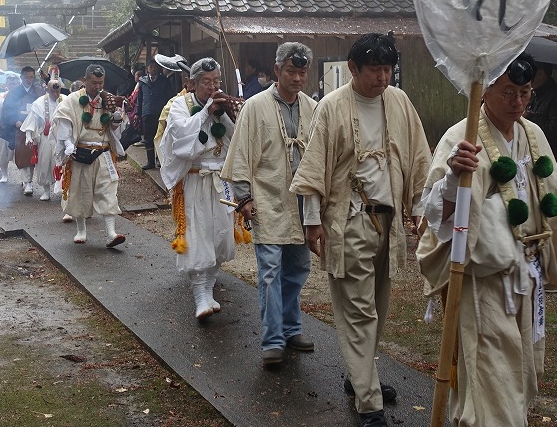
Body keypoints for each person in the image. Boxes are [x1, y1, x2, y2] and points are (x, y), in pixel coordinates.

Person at [415, 54, 557, 427]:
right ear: (484, 91)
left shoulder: (533, 135)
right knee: (491, 380)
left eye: (525, 93)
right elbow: (436, 216)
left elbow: (556, 200)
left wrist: (554, 259)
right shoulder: (461, 137)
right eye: (508, 92)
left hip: (526, 277)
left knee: (520, 374)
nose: (518, 102)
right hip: (484, 282)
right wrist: (455, 178)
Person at [289, 33, 432, 427]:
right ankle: (369, 404)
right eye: (374, 71)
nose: (382, 78)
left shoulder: (399, 102)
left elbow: (419, 160)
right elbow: (315, 168)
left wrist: (420, 208)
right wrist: (312, 221)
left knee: (379, 308)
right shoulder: (332, 107)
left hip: (389, 223)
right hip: (349, 220)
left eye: (388, 70)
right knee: (358, 312)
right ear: (353, 69)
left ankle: (360, 376)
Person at [221, 42, 319, 366]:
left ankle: (291, 329)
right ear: (277, 70)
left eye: (302, 72)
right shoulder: (255, 106)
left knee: (298, 269)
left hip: (302, 201)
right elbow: (241, 155)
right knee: (269, 272)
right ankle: (273, 339)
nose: (297, 78)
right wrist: (244, 196)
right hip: (267, 197)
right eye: (291, 71)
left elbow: (320, 156)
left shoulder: (312, 107)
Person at [159, 57, 242, 321]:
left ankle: (209, 290)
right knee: (197, 236)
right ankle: (199, 296)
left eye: (216, 81)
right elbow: (181, 140)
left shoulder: (222, 105)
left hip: (221, 180)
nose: (212, 86)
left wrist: (228, 114)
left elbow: (237, 138)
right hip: (194, 179)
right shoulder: (179, 106)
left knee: (219, 236)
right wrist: (205, 112)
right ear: (192, 83)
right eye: (206, 82)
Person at [53, 65, 126, 248]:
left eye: (101, 83)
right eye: (94, 83)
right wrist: (68, 144)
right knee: (80, 192)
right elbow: (63, 120)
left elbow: (114, 128)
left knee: (108, 190)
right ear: (85, 81)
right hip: (81, 152)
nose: (98, 86)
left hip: (103, 152)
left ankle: (111, 233)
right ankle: (81, 230)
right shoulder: (72, 100)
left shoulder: (107, 100)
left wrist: (116, 119)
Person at [526, 65, 557, 189]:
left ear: (541, 74)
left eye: (531, 71)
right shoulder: (535, 95)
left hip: (556, 167)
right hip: (537, 164)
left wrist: (530, 117)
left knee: (554, 206)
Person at [0, 66, 40, 195]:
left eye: (31, 77)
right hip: (19, 127)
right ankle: (27, 183)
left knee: (33, 155)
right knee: (23, 154)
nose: (29, 80)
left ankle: (28, 180)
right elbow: (7, 110)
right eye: (26, 77)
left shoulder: (38, 92)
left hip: (35, 127)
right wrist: (15, 121)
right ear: (21, 77)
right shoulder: (13, 93)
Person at [22, 75, 63, 203]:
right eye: (53, 91)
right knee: (44, 164)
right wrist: (28, 136)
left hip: (62, 137)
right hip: (45, 137)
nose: (55, 93)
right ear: (47, 90)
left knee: (62, 164)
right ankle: (46, 191)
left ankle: (64, 190)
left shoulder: (66, 101)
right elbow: (31, 121)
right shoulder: (39, 103)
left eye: (58, 91)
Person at [142, 57, 181, 170]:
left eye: (155, 67)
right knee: (148, 138)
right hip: (147, 112)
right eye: (151, 67)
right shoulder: (143, 81)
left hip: (161, 113)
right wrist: (138, 113)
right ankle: (150, 162)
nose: (153, 69)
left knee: (161, 137)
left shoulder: (164, 81)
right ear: (147, 69)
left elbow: (170, 95)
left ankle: (161, 159)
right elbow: (140, 99)